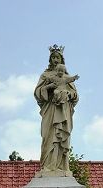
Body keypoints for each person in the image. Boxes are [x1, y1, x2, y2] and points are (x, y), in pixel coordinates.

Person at [34, 45, 79, 175]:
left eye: (57, 57)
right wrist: (48, 87)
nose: (55, 59)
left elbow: (75, 95)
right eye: (53, 57)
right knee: (48, 137)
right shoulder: (45, 75)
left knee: (61, 138)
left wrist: (70, 95)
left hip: (64, 111)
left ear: (61, 59)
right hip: (50, 110)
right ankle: (48, 166)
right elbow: (37, 92)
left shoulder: (66, 76)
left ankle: (62, 167)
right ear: (50, 59)